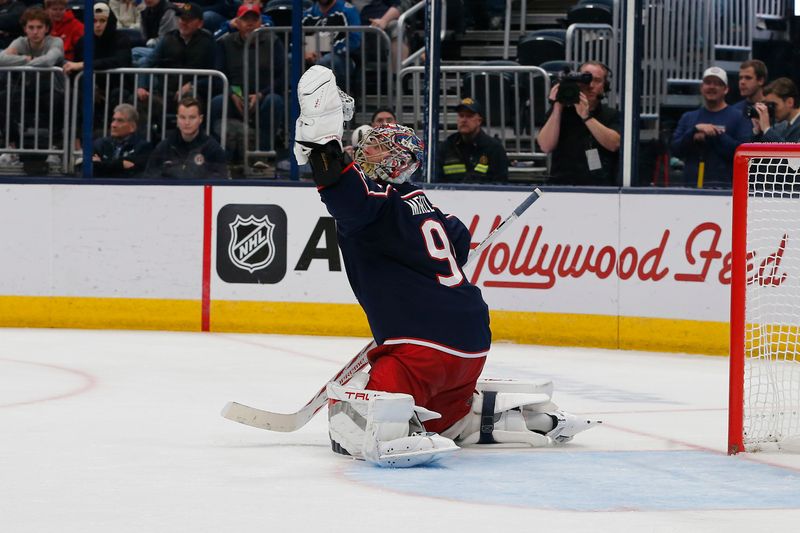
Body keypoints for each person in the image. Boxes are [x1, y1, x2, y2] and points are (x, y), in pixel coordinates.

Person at [293, 65, 596, 468]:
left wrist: (320, 139)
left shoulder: (375, 202)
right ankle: (489, 420)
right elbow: (458, 240)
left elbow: (339, 190)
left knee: (355, 407)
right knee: (448, 410)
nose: (367, 149)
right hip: (472, 343)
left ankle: (399, 429)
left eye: (379, 147)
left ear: (396, 163)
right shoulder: (422, 202)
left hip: (420, 348)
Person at [212, 4, 284, 156]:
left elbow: (282, 77)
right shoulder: (225, 43)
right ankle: (221, 156)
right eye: (245, 19)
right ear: (237, 23)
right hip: (235, 97)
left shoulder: (273, 41)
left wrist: (260, 94)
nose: (250, 23)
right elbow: (218, 75)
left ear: (260, 22)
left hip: (263, 96)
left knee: (274, 101)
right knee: (218, 103)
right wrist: (232, 93)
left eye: (254, 19)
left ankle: (263, 156)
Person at [536, 61, 620, 186]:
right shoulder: (559, 113)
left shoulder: (611, 115)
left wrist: (586, 117)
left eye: (597, 80)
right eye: (585, 79)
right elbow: (545, 146)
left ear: (605, 86)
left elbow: (614, 144)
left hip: (600, 187)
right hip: (561, 185)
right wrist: (557, 107)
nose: (590, 85)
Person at [0, 7, 65, 168]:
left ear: (46, 28)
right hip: (27, 89)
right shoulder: (20, 42)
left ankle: (54, 149)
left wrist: (26, 61)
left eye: (39, 27)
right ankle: (12, 147)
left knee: (57, 100)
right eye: (31, 28)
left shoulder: (55, 42)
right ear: (25, 29)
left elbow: (49, 60)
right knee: (3, 98)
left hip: (50, 88)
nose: (35, 32)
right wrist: (26, 58)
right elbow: (1, 59)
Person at [670, 66, 752, 188]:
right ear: (702, 88)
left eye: (717, 84)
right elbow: (675, 149)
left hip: (724, 192)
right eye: (708, 83)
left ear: (726, 89)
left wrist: (716, 134)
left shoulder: (739, 117)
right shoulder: (688, 118)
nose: (712, 87)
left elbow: (744, 154)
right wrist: (693, 132)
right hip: (690, 192)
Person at [136, 3, 216, 108]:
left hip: (194, 94)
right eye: (181, 18)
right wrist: (141, 87)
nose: (183, 22)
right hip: (164, 93)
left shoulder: (208, 42)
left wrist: (192, 85)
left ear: (200, 23)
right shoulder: (168, 39)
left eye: (188, 20)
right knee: (138, 99)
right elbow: (148, 63)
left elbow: (216, 75)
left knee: (190, 97)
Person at [146, 96, 227, 178]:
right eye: (182, 117)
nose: (187, 122)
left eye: (192, 117)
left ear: (200, 119)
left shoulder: (212, 149)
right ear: (177, 119)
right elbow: (149, 177)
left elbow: (221, 180)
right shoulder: (164, 147)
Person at [437, 97, 509, 183]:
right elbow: (436, 181)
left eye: (469, 116)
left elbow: (501, 185)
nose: (464, 120)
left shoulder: (494, 149)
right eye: (461, 116)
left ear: (479, 121)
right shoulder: (446, 147)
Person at [302, 0, 360, 86]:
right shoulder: (308, 14)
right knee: (291, 58)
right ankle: (293, 98)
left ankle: (328, 98)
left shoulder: (347, 10)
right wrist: (304, 52)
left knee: (326, 60)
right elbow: (295, 39)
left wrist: (325, 51)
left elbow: (354, 40)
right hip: (311, 55)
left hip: (343, 58)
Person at [89, 103, 152, 177]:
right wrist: (121, 164)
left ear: (132, 126)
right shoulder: (99, 144)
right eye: (113, 120)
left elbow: (134, 173)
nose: (113, 125)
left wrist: (102, 164)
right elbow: (91, 168)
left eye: (120, 121)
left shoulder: (143, 147)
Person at [751, 77, 800, 143]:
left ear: (790, 102)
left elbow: (790, 151)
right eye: (768, 106)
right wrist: (758, 130)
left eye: (773, 105)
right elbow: (760, 151)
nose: (771, 110)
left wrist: (766, 129)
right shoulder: (780, 127)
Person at [133, 0, 177, 67]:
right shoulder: (145, 11)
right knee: (132, 56)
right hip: (151, 48)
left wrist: (150, 42)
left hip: (168, 50)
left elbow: (166, 40)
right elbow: (144, 37)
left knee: (135, 53)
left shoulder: (169, 11)